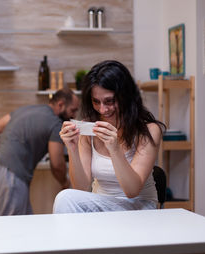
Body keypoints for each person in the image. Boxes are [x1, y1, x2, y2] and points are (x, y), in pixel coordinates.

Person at [54, 60, 165, 214]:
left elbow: (132, 191)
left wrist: (114, 149)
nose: (103, 109)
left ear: (125, 96)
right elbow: (81, 188)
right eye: (96, 102)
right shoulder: (89, 129)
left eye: (109, 101)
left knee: (65, 198)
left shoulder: (149, 130)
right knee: (65, 197)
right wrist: (72, 149)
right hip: (101, 207)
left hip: (138, 207)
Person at [0, 88, 80, 216]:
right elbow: (56, 164)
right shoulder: (56, 124)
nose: (74, 116)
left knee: (25, 224)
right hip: (10, 176)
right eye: (73, 110)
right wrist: (65, 183)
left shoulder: (25, 110)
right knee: (12, 229)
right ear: (60, 104)